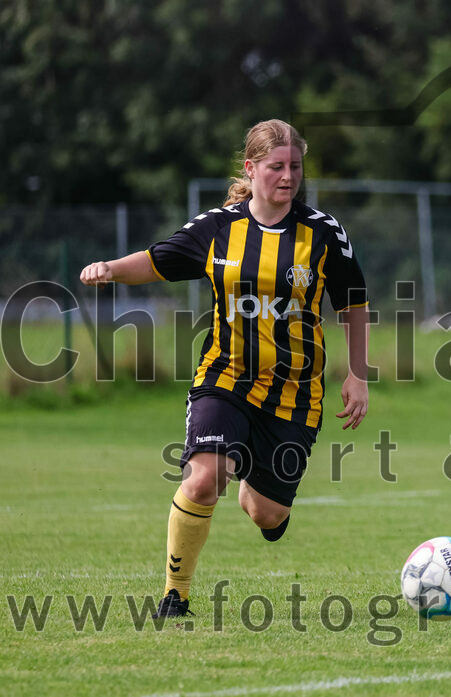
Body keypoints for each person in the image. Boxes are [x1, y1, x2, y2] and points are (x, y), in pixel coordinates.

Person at [80, 119, 370, 618]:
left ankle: (254, 480)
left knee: (266, 513)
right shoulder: (218, 228)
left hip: (295, 393)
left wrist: (358, 374)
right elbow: (158, 260)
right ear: (250, 168)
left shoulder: (324, 232)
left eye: (295, 166)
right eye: (276, 167)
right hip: (225, 377)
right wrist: (112, 269)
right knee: (204, 478)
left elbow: (354, 303)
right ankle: (176, 595)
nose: (288, 176)